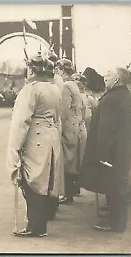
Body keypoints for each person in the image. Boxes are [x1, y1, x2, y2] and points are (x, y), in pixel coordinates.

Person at [7, 52, 64, 237]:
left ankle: (35, 226)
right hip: (52, 137)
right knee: (46, 179)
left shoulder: (30, 90)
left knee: (31, 181)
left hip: (35, 139)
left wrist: (14, 150)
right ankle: (40, 224)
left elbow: (20, 122)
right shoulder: (54, 88)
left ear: (31, 69)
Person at [79, 68, 131, 232]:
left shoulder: (111, 99)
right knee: (118, 183)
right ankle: (115, 217)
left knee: (114, 185)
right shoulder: (125, 96)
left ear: (116, 80)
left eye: (108, 75)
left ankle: (115, 222)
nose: (105, 78)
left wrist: (102, 154)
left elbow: (106, 129)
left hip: (111, 152)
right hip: (121, 149)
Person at [55, 58, 86, 204]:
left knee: (67, 161)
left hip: (69, 126)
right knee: (73, 160)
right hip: (77, 125)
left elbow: (64, 110)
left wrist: (58, 125)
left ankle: (68, 194)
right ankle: (72, 192)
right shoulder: (74, 84)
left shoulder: (66, 85)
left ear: (62, 70)